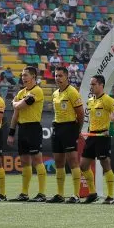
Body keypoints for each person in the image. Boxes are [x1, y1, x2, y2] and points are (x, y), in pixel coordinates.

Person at [80, 75, 114, 204]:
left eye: (93, 84)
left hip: (103, 136)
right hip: (92, 136)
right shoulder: (90, 100)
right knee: (83, 165)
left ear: (101, 85)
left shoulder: (108, 99)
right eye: (91, 84)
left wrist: (113, 128)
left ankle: (110, 196)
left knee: (105, 164)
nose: (91, 87)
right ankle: (93, 193)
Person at [10, 66, 46, 202]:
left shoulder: (37, 91)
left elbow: (19, 106)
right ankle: (24, 193)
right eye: (22, 75)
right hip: (22, 128)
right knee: (25, 162)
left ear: (33, 77)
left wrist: (14, 103)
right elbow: (15, 114)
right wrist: (11, 133)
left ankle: (41, 194)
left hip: (33, 128)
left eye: (25, 75)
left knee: (37, 160)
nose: (23, 78)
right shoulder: (21, 93)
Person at [50, 66, 84, 203]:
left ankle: (76, 195)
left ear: (66, 77)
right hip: (57, 127)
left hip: (70, 127)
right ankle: (60, 194)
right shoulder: (55, 93)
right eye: (56, 76)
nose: (58, 78)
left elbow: (80, 113)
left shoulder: (72, 92)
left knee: (73, 161)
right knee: (59, 162)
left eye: (60, 76)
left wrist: (77, 130)